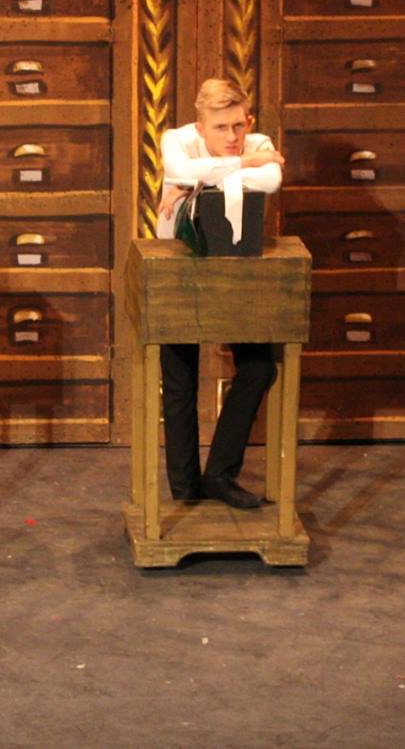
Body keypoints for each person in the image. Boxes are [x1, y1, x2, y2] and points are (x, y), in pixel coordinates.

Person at [154, 77, 285, 509]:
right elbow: (179, 170)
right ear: (200, 126)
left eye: (238, 126)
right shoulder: (177, 139)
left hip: (235, 272)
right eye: (221, 128)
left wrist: (198, 181)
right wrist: (244, 163)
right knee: (180, 378)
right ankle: (185, 489)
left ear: (248, 120)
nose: (232, 136)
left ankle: (220, 475)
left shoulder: (259, 141)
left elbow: (270, 181)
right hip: (179, 269)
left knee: (259, 367)